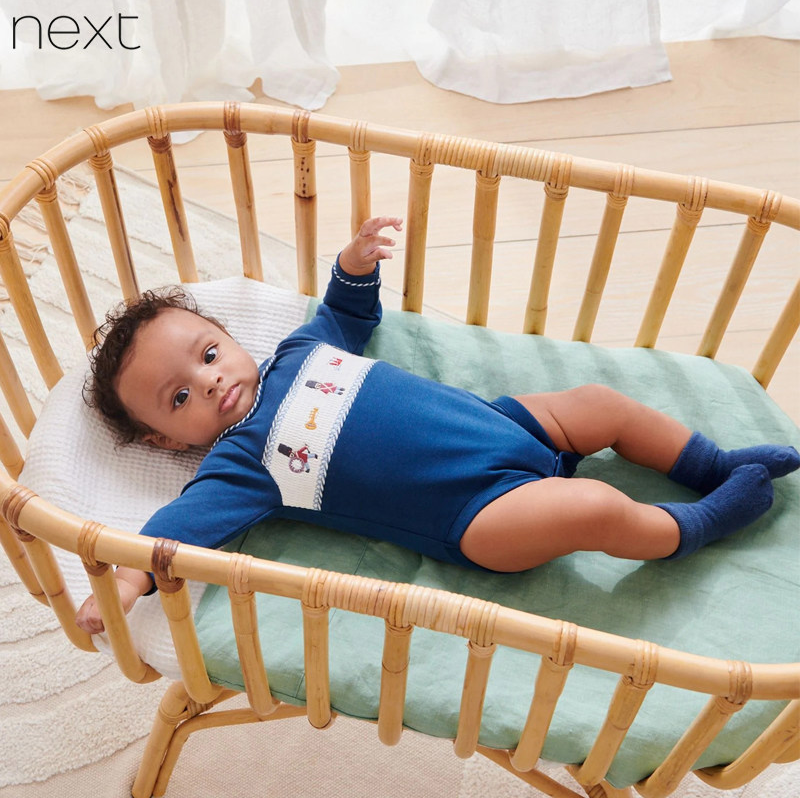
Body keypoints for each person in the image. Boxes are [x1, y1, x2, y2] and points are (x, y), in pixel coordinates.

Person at [75, 216, 799, 634]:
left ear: (229, 338)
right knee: (594, 506)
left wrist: (352, 265)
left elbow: (348, 313)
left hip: (510, 427)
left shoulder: (300, 351)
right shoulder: (240, 463)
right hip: (479, 515)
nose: (209, 381)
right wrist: (126, 583)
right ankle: (696, 525)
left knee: (600, 404)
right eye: (179, 397)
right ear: (165, 440)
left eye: (208, 354)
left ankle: (708, 463)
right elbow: (176, 530)